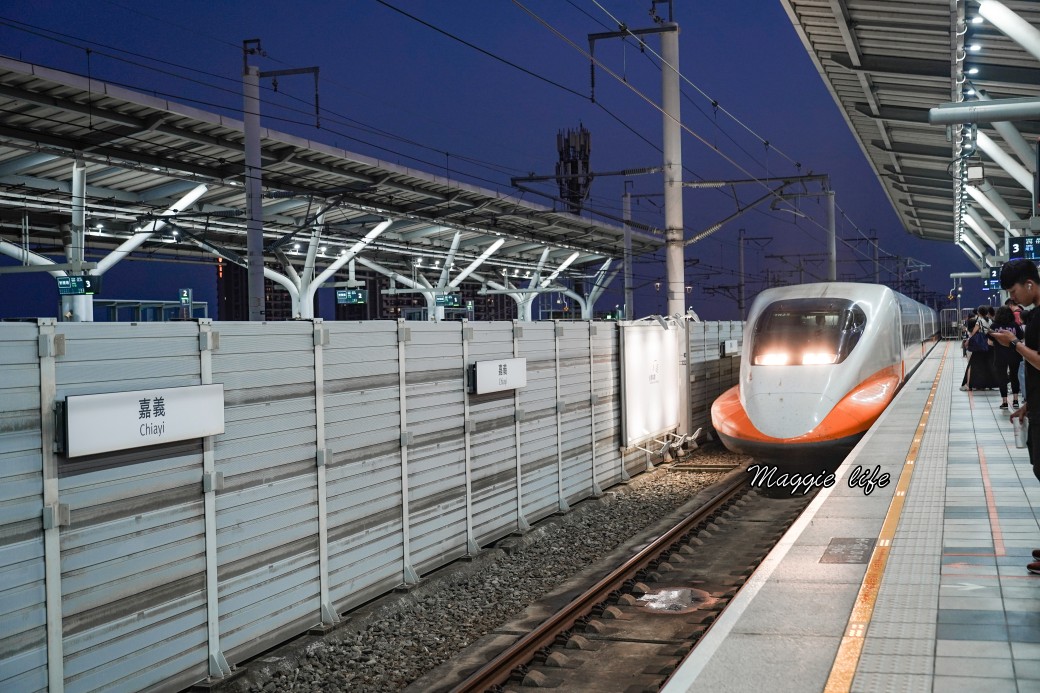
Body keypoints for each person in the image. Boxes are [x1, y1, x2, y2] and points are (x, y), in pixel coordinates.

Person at [990, 259, 1040, 574]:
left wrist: (1016, 344)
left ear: (1030, 284)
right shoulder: (1034, 316)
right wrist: (1028, 406)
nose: (1012, 298)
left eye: (1013, 290)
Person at [990, 305, 1022, 409]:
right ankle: (1016, 400)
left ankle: (1004, 402)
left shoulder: (994, 326)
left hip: (1000, 355)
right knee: (1014, 376)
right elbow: (1020, 338)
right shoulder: (1015, 325)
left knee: (1002, 378)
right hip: (1014, 354)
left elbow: (990, 341)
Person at [961, 305, 997, 391]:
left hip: (980, 346)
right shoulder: (990, 321)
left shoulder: (979, 321)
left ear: (979, 313)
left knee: (973, 364)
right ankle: (987, 384)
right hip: (989, 345)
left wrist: (968, 341)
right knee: (987, 365)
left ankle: (968, 385)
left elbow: (973, 332)